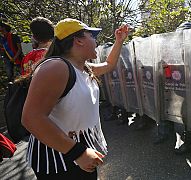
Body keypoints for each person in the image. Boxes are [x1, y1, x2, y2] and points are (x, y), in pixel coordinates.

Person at [22, 18, 128, 179]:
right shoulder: (56, 67)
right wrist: (78, 152)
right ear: (78, 40)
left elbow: (108, 64)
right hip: (59, 158)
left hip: (75, 151)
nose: (96, 41)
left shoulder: (82, 67)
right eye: (92, 36)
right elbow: (31, 118)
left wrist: (119, 41)